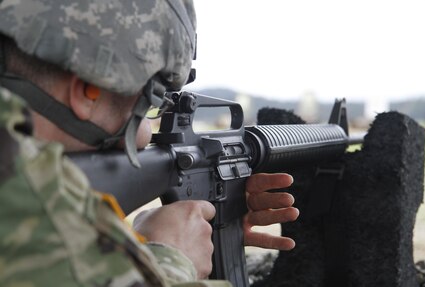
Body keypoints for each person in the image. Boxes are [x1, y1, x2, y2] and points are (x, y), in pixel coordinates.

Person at [0, 0, 299, 286]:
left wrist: (222, 224)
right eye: (152, 104)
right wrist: (169, 260)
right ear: (86, 92)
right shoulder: (37, 210)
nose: (147, 134)